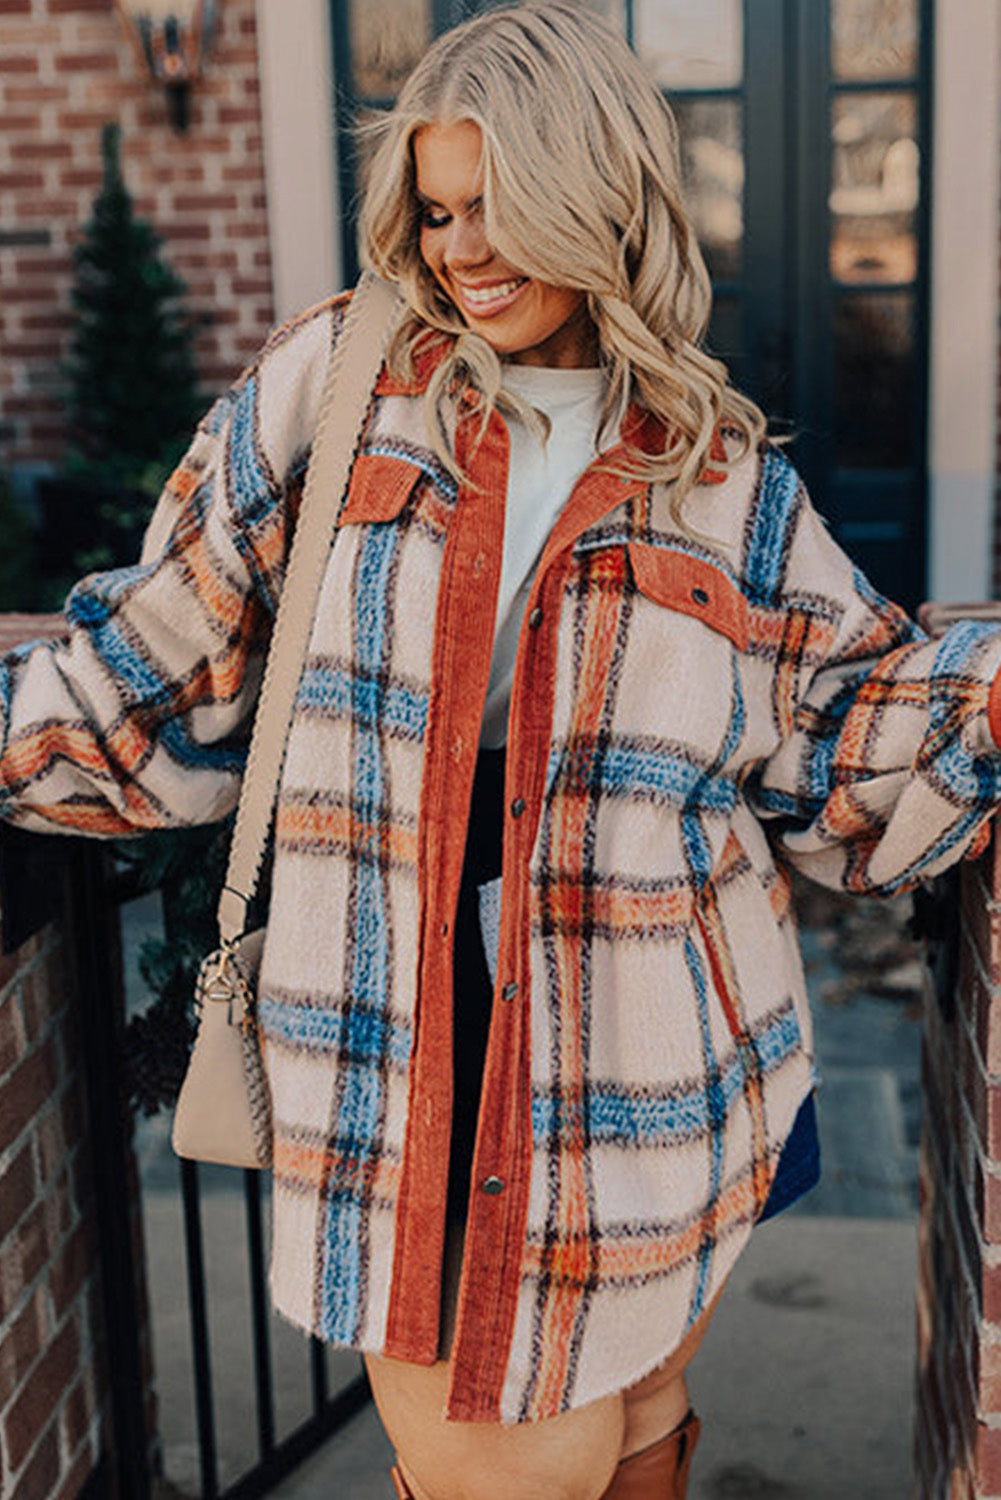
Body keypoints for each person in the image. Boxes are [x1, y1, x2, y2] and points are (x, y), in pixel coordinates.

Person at [2, 4, 1001, 1497]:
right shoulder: (333, 386)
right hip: (406, 1038)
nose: (461, 249)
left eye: (501, 207)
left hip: (656, 1060)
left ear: (601, 197)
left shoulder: (708, 462)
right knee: (503, 1467)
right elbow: (156, 673)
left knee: (644, 1425)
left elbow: (838, 741)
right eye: (436, 207)